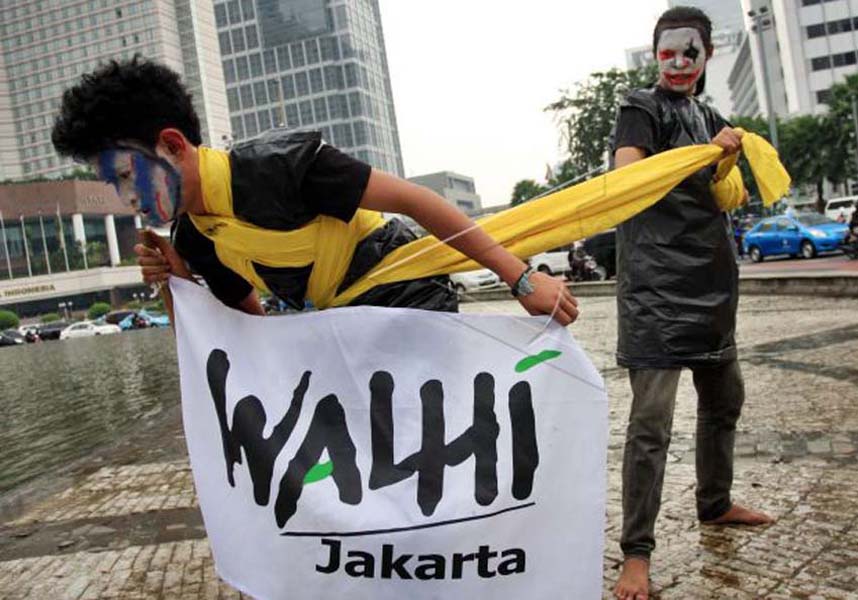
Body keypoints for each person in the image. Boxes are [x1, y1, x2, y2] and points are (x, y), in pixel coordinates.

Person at [51, 58, 578, 326]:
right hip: (337, 326)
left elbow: (418, 202)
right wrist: (177, 281)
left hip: (409, 295)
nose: (127, 198)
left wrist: (522, 278)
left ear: (171, 144)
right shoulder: (194, 238)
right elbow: (245, 335)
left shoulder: (283, 166)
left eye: (125, 176)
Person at [609, 7, 773, 600]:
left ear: (708, 56)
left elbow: (727, 194)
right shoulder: (639, 109)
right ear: (655, 55)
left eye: (691, 53)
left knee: (725, 399)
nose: (679, 64)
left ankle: (715, 501)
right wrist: (698, 156)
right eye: (668, 53)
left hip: (710, 285)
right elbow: (628, 177)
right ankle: (635, 554)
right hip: (657, 288)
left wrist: (722, 153)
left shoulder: (711, 117)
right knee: (650, 425)